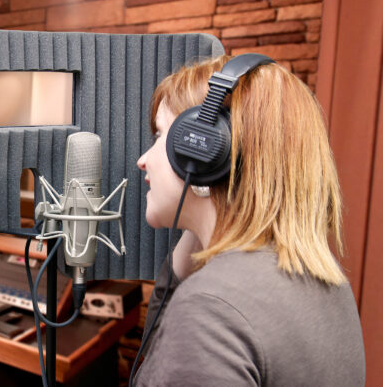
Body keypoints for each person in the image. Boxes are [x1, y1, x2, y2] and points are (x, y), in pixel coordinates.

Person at [133, 55, 365, 386]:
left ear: (202, 153)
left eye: (160, 136)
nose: (143, 161)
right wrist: (202, 223)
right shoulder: (328, 282)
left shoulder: (210, 308)